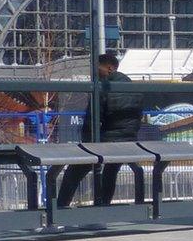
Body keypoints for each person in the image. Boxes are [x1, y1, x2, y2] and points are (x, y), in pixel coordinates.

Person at [55, 52, 138, 207]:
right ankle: (102, 209)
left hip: (106, 141)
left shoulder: (101, 88)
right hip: (129, 140)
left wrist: (88, 144)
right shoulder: (132, 87)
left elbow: (92, 120)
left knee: (74, 172)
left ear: (109, 68)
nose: (93, 73)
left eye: (96, 68)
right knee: (111, 172)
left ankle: (60, 209)